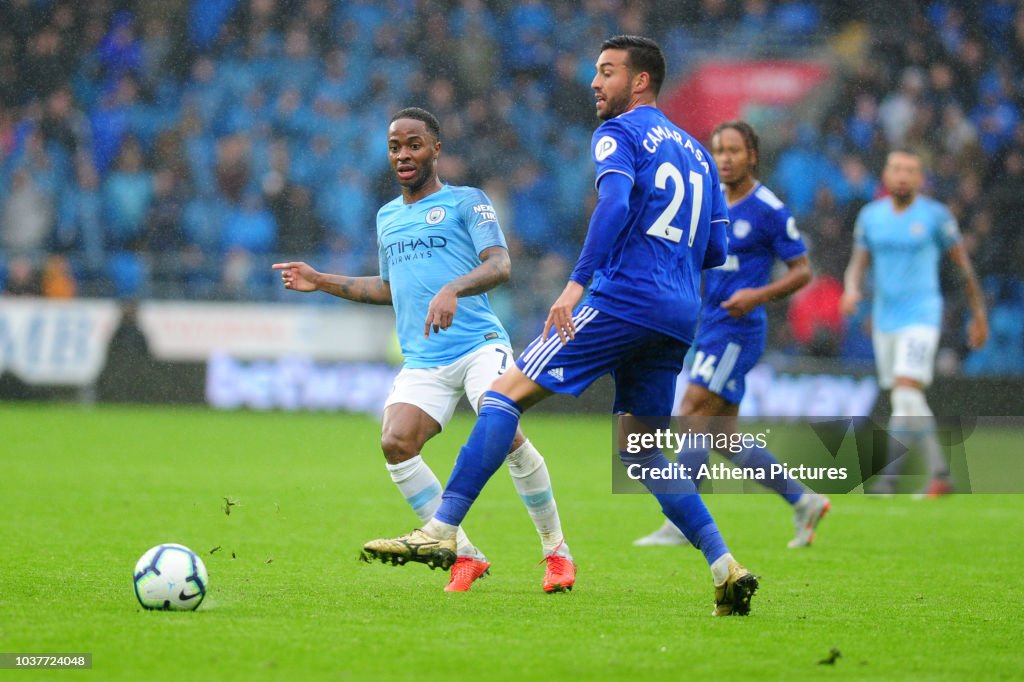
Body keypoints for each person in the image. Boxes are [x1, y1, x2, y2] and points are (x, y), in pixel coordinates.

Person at [363, 36, 759, 616]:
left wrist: (577, 284)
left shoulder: (618, 134)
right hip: (677, 313)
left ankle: (443, 528)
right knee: (644, 452)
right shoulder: (699, 154)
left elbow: (616, 205)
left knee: (503, 397)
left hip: (620, 299)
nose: (595, 83)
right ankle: (726, 566)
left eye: (607, 72)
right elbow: (717, 247)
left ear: (640, 81)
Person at [273, 107, 575, 593]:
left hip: (479, 345)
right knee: (395, 442)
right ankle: (465, 553)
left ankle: (556, 552)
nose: (403, 155)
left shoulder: (466, 202)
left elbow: (500, 265)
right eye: (395, 146)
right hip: (425, 358)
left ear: (436, 149)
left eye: (413, 144)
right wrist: (321, 280)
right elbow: (392, 288)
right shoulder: (387, 216)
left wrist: (453, 288)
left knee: (502, 426)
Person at [633, 120, 830, 549]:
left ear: (752, 156)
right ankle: (803, 500)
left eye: (733, 151)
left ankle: (682, 520)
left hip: (738, 330)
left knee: (691, 410)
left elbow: (802, 271)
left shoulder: (768, 209)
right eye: (718, 150)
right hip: (710, 323)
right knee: (722, 436)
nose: (724, 158)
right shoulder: (709, 199)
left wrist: (757, 295)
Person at [839, 148, 989, 496]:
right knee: (903, 399)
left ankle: (939, 473)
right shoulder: (871, 216)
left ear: (921, 179)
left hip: (922, 313)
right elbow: (858, 263)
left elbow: (963, 266)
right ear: (886, 177)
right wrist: (851, 290)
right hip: (885, 318)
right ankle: (890, 480)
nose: (903, 176)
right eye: (896, 169)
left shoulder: (936, 216)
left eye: (910, 170)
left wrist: (978, 314)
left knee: (906, 389)